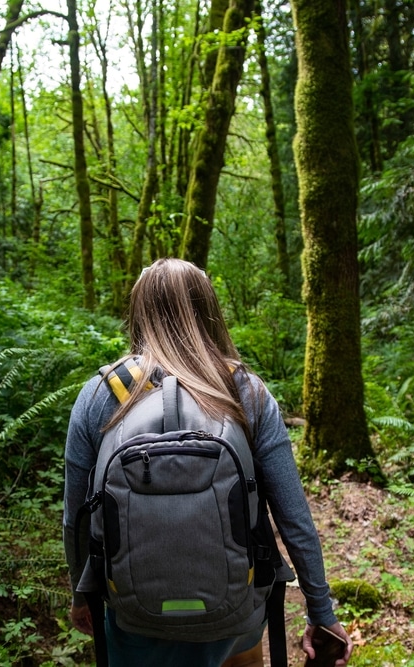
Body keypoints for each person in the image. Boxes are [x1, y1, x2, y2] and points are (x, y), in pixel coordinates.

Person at [62, 258, 352, 666]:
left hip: (134, 618)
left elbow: (76, 520)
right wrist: (321, 611)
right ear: (208, 310)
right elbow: (294, 517)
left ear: (138, 314)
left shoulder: (101, 396)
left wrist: (82, 594)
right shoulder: (245, 392)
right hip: (235, 618)